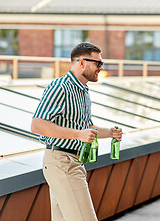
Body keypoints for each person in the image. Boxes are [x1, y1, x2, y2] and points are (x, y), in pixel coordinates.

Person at [31, 42, 123, 221]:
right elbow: (37, 125)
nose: (101, 67)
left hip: (74, 162)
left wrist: (110, 133)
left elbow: (86, 128)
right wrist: (77, 134)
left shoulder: (83, 91)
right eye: (97, 63)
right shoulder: (60, 87)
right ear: (81, 62)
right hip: (61, 162)